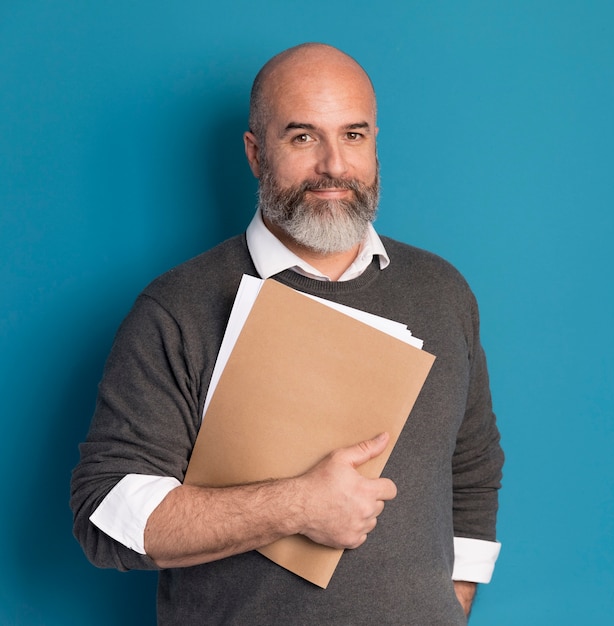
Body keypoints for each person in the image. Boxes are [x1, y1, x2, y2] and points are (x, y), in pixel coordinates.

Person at [71, 43, 504, 624]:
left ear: (375, 143)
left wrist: (451, 604)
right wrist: (297, 505)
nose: (333, 165)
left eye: (353, 135)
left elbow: (473, 465)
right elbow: (106, 514)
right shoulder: (178, 308)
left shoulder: (442, 291)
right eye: (303, 137)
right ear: (255, 153)